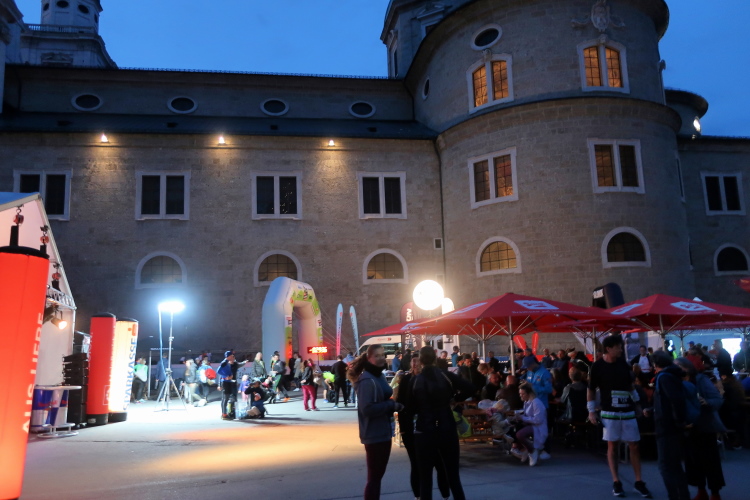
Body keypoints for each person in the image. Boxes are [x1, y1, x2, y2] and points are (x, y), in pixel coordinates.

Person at [407, 346, 475, 500]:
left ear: (421, 360)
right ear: (435, 358)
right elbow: (471, 388)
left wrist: (420, 408)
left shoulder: (415, 380)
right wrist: (455, 399)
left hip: (425, 429)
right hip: (446, 426)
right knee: (453, 476)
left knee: (425, 479)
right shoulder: (446, 376)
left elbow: (409, 408)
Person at [588, 335, 651, 498]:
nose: (621, 350)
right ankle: (616, 481)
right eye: (618, 347)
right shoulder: (597, 366)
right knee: (612, 445)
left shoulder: (624, 364)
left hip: (628, 410)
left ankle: (639, 481)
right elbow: (591, 389)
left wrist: (637, 403)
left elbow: (630, 386)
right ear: (608, 349)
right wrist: (591, 410)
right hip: (610, 412)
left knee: (634, 444)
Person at [349, 344, 404, 500]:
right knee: (374, 478)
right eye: (377, 356)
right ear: (369, 358)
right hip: (374, 434)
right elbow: (367, 409)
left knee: (377, 476)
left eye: (382, 355)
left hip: (383, 431)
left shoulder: (378, 376)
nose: (381, 358)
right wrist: (390, 405)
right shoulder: (367, 380)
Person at [396, 357, 450, 500]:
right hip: (411, 428)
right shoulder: (406, 380)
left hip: (431, 427)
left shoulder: (430, 379)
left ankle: (445, 494)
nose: (415, 364)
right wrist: (403, 428)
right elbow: (401, 404)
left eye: (418, 362)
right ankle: (418, 495)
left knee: (439, 463)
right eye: (413, 362)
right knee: (416, 464)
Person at [674, 357, 726, 500]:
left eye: (678, 366)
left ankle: (715, 492)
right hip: (689, 427)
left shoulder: (701, 380)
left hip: (705, 426)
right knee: (693, 462)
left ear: (686, 367)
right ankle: (701, 490)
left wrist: (706, 401)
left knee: (710, 461)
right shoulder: (677, 381)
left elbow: (717, 399)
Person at [651, 351, 690, 500]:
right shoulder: (673, 376)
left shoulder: (664, 378)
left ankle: (675, 496)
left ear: (656, 364)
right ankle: (682, 495)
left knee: (666, 466)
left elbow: (674, 400)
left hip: (667, 426)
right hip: (673, 425)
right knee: (674, 465)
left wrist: (676, 420)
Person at [511, 383, 548, 466]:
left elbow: (538, 420)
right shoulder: (526, 402)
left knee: (520, 434)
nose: (521, 396)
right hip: (530, 424)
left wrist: (523, 418)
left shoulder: (536, 403)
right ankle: (523, 448)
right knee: (513, 428)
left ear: (529, 393)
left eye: (523, 394)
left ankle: (532, 451)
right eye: (520, 394)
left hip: (538, 427)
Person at [217, 350, 249, 419]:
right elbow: (219, 372)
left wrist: (244, 362)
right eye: (231, 356)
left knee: (232, 398)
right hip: (226, 383)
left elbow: (239, 364)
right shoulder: (224, 362)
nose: (232, 357)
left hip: (231, 382)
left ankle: (231, 412)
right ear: (228, 356)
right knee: (225, 398)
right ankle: (224, 414)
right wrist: (226, 377)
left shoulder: (231, 363)